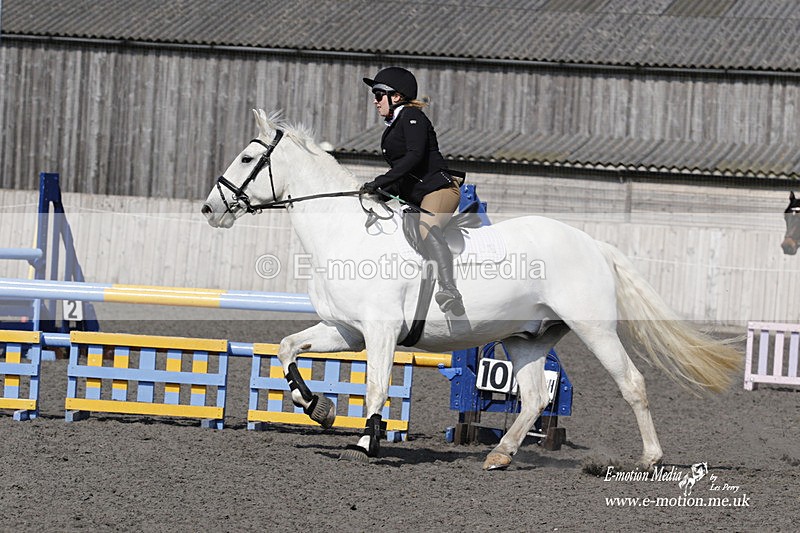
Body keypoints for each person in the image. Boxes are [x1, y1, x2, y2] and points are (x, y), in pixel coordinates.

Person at [361, 67, 464, 315]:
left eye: (378, 94)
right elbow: (403, 171)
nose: (375, 101)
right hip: (418, 194)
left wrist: (382, 181)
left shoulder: (411, 116)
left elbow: (415, 158)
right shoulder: (394, 125)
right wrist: (379, 192)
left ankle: (450, 289)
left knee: (426, 226)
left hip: (440, 189)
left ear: (395, 96)